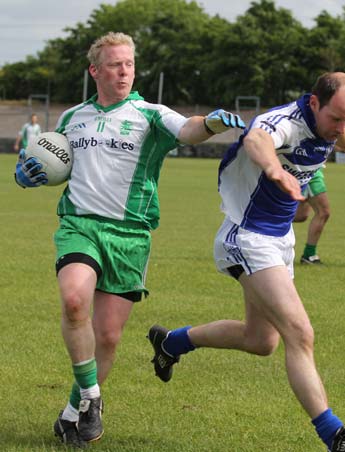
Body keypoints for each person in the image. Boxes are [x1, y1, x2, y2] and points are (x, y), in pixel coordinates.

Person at [14, 32, 245, 449]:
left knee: (108, 338)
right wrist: (27, 173)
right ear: (95, 70)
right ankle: (91, 398)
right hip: (79, 225)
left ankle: (73, 413)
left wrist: (210, 123)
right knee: (73, 301)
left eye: (129, 64)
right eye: (115, 64)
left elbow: (189, 129)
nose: (124, 71)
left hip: (130, 234)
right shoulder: (72, 118)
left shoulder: (150, 113)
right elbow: (48, 160)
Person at [147, 72, 345, 452]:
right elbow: (257, 137)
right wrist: (274, 170)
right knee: (300, 333)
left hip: (279, 240)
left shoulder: (332, 124)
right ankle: (335, 435)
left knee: (261, 341)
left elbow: (339, 130)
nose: (341, 128)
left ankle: (172, 342)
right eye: (335, 118)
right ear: (313, 103)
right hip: (247, 237)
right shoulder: (283, 123)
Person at [293, 167, 330, 264]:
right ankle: (309, 255)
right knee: (323, 212)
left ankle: (261, 219)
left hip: (313, 168)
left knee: (301, 216)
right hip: (308, 171)